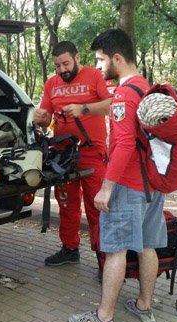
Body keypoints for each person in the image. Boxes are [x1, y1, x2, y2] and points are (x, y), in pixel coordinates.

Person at [67, 29, 167, 322]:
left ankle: (104, 318)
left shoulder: (124, 94)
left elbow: (123, 145)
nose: (97, 67)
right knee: (147, 246)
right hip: (153, 184)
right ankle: (143, 306)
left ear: (117, 58)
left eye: (100, 60)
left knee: (116, 251)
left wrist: (107, 187)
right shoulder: (145, 87)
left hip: (128, 185)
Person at [33, 41, 112, 266]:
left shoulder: (94, 76)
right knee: (67, 204)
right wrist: (41, 118)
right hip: (63, 155)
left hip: (91, 152)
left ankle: (104, 259)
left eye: (65, 63)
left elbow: (111, 104)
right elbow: (47, 117)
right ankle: (69, 248)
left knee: (97, 207)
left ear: (77, 58)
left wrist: (84, 108)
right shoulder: (51, 84)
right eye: (57, 66)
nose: (62, 70)